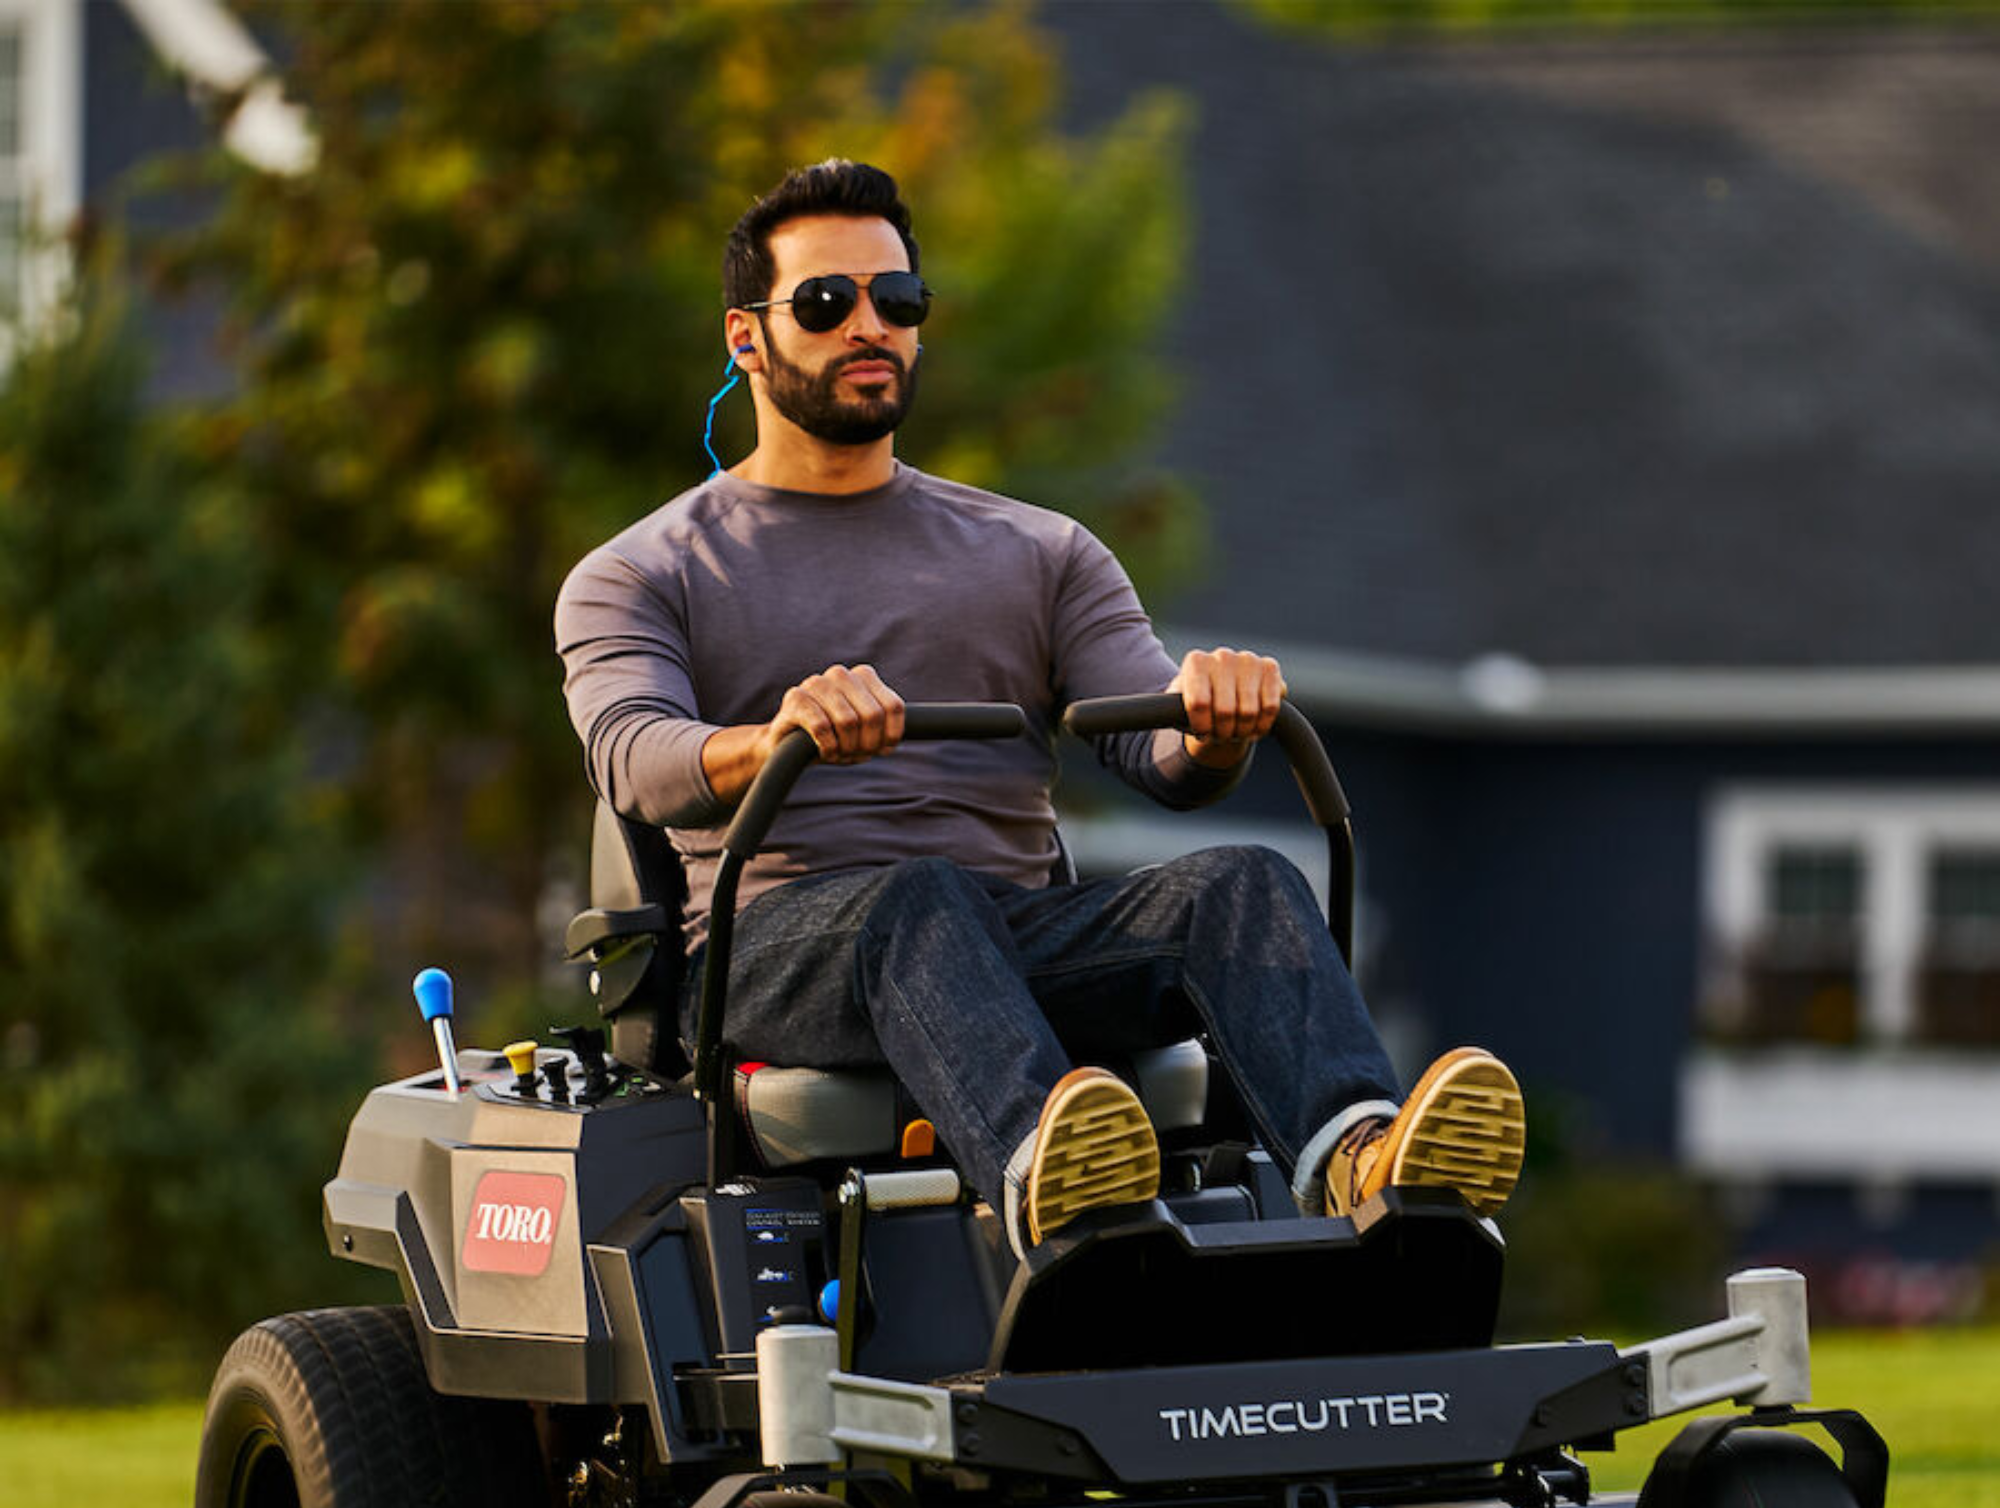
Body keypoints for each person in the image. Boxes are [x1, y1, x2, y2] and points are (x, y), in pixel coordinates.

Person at [557, 159, 1524, 1256]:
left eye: (898, 300)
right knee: (913, 901)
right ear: (745, 337)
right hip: (770, 952)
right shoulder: (641, 570)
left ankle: (1363, 1158)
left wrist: (1210, 724)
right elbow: (637, 759)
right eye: (826, 303)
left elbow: (1155, 746)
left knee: (1242, 882)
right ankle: (1053, 1185)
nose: (867, 325)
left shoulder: (1038, 550)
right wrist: (778, 735)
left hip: (1008, 936)